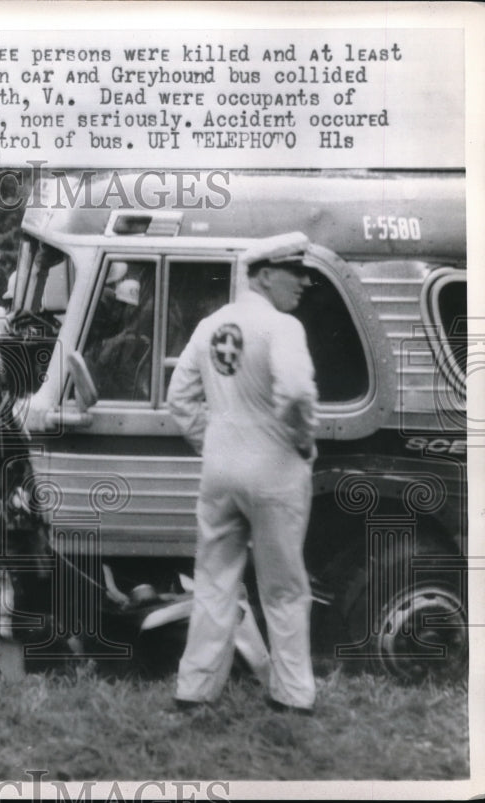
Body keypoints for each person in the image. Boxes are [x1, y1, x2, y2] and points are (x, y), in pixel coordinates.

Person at [166, 233, 319, 714]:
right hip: (274, 470)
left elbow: (179, 399)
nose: (305, 283)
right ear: (265, 274)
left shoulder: (211, 325)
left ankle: (194, 691)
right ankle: (292, 695)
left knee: (213, 580)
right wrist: (301, 440)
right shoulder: (283, 327)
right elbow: (295, 392)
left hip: (221, 469)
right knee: (285, 587)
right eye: (296, 273)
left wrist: (209, 442)